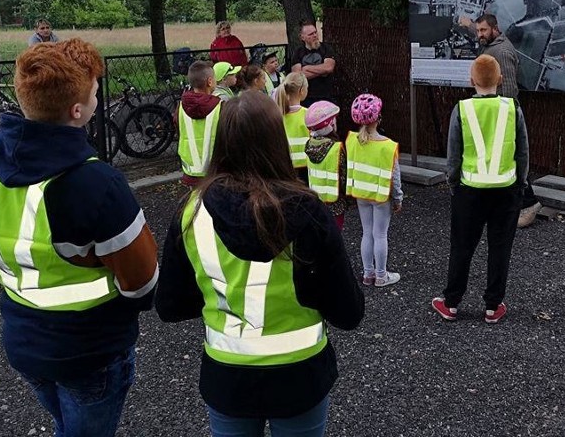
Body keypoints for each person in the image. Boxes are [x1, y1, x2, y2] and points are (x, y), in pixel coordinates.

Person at [0, 38, 159, 437]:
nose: (96, 96)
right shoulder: (96, 184)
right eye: (93, 92)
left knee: (64, 423)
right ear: (79, 110)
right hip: (90, 351)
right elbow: (142, 284)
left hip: (23, 338)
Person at [155, 91, 364, 437]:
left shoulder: (191, 211)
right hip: (301, 376)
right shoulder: (309, 211)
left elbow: (171, 305)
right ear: (276, 140)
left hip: (227, 376)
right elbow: (349, 312)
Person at [431, 55, 528, 324]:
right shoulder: (513, 108)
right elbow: (522, 151)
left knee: (461, 247)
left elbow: (454, 155)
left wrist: (453, 183)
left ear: (471, 80)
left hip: (469, 190)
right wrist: (521, 183)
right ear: (500, 79)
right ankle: (493, 306)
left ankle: (450, 303)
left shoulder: (461, 110)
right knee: (500, 249)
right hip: (506, 189)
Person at [471, 13, 541, 226]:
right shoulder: (491, 46)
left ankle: (529, 203)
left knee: (511, 158)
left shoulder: (501, 51)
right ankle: (506, 204)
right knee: (503, 159)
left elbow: (509, 89)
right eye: (477, 31)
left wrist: (503, 117)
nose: (480, 35)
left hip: (502, 116)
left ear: (495, 28)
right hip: (495, 115)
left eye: (483, 30)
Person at [346, 94, 403, 287]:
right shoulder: (388, 146)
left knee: (366, 232)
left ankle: (367, 273)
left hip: (361, 193)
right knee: (380, 235)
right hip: (381, 197)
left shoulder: (351, 140)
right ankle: (381, 275)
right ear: (378, 118)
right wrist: (398, 199)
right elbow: (395, 178)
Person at [177, 61, 221, 188]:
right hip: (216, 172)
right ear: (210, 81)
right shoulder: (220, 107)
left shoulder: (180, 107)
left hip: (191, 172)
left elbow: (178, 129)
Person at [304, 101, 347, 231]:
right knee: (334, 236)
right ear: (330, 124)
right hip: (335, 204)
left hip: (317, 200)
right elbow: (343, 176)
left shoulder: (309, 145)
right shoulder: (336, 148)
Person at [276, 72, 310, 184]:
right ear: (302, 91)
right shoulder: (308, 114)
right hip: (305, 167)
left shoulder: (277, 115)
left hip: (284, 166)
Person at [291, 21, 336, 107]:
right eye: (310, 34)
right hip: (306, 99)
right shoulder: (298, 52)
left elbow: (329, 68)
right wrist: (321, 71)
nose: (315, 36)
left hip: (325, 97)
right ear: (302, 37)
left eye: (315, 32)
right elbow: (297, 76)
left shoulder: (326, 48)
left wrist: (306, 68)